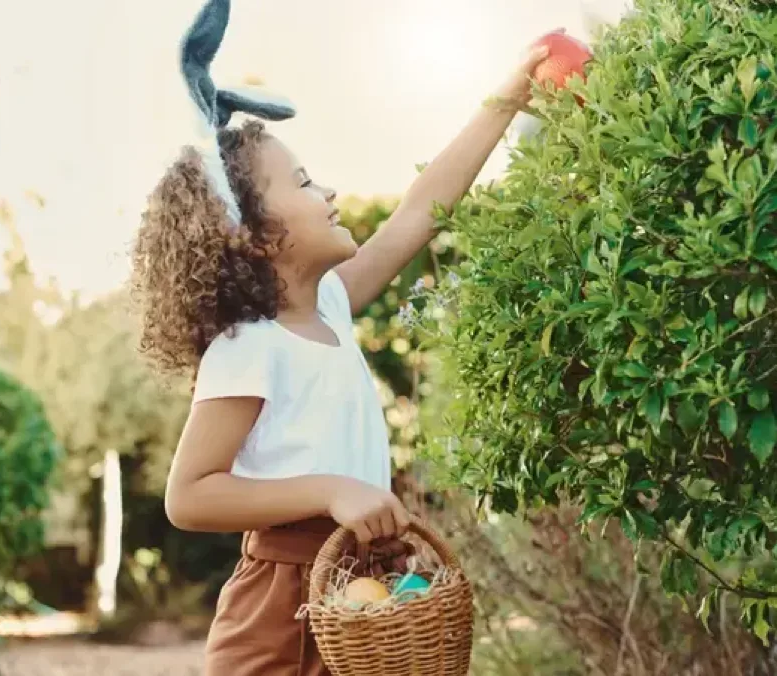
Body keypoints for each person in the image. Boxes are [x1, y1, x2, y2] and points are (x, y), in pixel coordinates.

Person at [130, 1, 555, 673]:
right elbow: (191, 495)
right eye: (302, 182)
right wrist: (331, 488)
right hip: (282, 604)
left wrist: (505, 100)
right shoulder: (251, 346)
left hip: (355, 584)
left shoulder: (329, 305)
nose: (327, 191)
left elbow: (421, 208)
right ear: (258, 235)